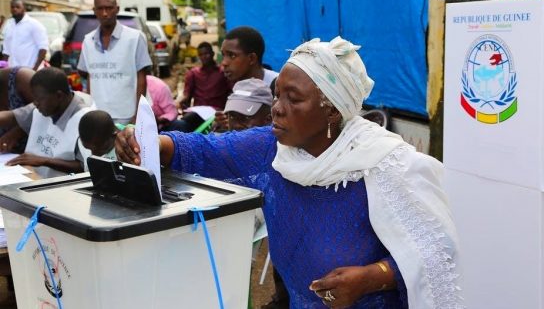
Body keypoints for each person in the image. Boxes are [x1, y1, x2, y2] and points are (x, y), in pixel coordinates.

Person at [116, 37, 463, 308]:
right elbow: (205, 150)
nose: (277, 110)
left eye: (293, 99)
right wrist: (152, 143)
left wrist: (373, 277)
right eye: (277, 94)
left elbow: (437, 253)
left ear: (331, 109)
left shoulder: (386, 166)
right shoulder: (271, 148)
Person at [0, 67, 94, 173]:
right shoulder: (41, 108)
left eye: (39, 99)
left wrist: (44, 161)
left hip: (61, 186)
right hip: (32, 178)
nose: (35, 103)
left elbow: (84, 167)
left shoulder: (85, 119)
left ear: (59, 96)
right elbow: (13, 116)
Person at [77, 0, 152, 125]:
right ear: (94, 11)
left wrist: (138, 115)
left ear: (117, 9)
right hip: (98, 115)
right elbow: (90, 76)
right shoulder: (88, 41)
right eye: (100, 9)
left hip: (126, 115)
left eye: (109, 8)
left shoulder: (134, 38)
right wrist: (90, 110)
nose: (105, 13)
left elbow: (141, 77)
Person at [215, 26, 279, 131]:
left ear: (251, 58)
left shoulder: (278, 86)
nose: (224, 62)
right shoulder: (235, 86)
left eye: (232, 55)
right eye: (223, 55)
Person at [1, 0, 48, 70]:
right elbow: (6, 50)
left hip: (29, 69)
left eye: (17, 7)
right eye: (12, 7)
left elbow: (43, 49)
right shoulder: (9, 24)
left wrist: (34, 68)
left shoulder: (34, 25)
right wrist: (3, 68)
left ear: (24, 8)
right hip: (12, 70)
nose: (14, 9)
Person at [182, 42, 231, 111]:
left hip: (217, 112)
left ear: (212, 54)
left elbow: (231, 93)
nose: (204, 57)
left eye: (206, 54)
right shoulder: (194, 74)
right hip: (197, 113)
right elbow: (186, 96)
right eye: (201, 55)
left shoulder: (223, 73)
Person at [0, 67, 35, 152]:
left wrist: (18, 131)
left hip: (45, 154)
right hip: (7, 159)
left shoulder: (22, 77)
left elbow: (52, 103)